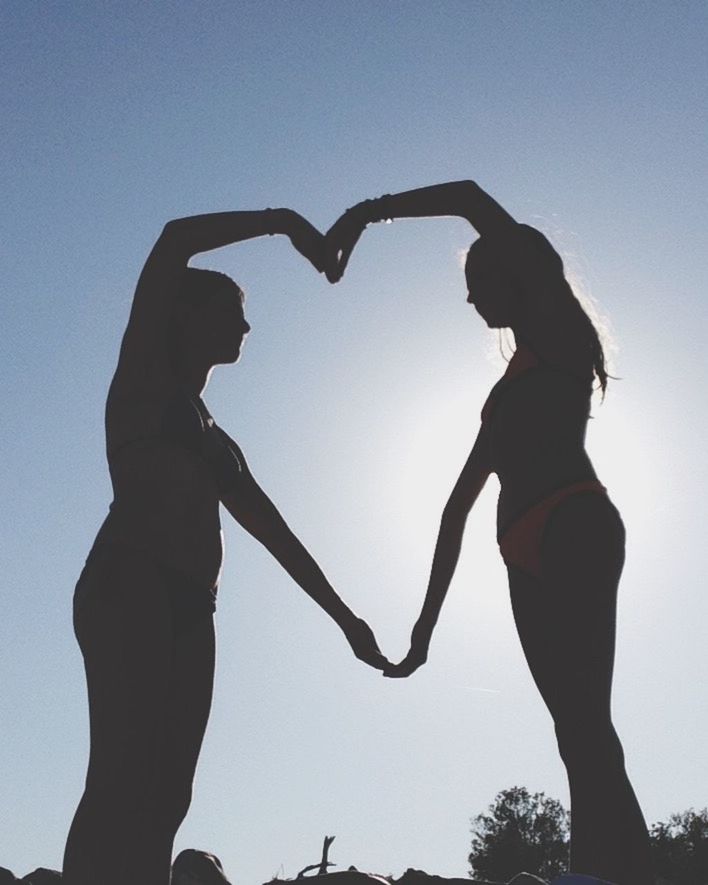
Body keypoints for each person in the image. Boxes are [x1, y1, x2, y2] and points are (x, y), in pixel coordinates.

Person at [325, 182, 653, 885]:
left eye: (477, 282)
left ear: (515, 273)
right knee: (576, 732)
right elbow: (455, 508)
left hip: (573, 522)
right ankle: (615, 871)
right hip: (521, 551)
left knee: (587, 725)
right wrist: (422, 635)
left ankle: (597, 872)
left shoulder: (559, 331)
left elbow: (472, 197)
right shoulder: (505, 387)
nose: (470, 299)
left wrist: (364, 214)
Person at [63, 208, 386, 885]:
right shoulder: (145, 374)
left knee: (168, 796)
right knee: (120, 775)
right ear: (183, 314)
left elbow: (276, 533)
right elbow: (172, 240)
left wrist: (347, 618)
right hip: (132, 579)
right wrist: (284, 223)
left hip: (194, 604)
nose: (245, 325)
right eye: (231, 308)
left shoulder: (220, 439)